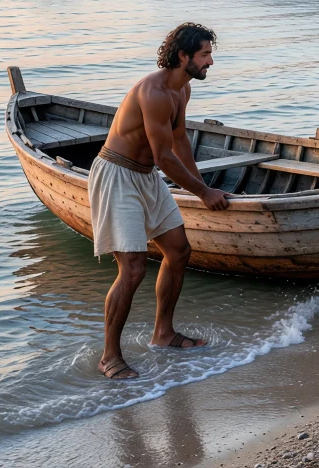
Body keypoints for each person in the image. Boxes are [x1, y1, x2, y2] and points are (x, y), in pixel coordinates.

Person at [88, 22, 230, 380]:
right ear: (183, 56)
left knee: (179, 251)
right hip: (117, 176)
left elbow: (181, 143)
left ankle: (163, 334)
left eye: (210, 54)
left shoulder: (182, 91)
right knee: (133, 268)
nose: (210, 62)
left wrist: (201, 185)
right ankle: (109, 357)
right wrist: (203, 193)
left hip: (146, 176)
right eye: (205, 54)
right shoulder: (153, 92)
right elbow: (165, 157)